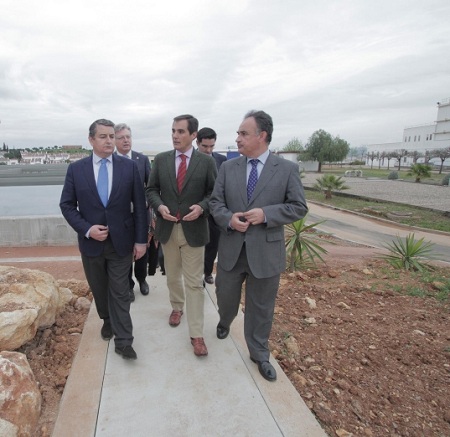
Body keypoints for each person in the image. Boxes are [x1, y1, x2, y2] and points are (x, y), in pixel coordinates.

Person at [209, 110, 308, 381]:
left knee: (261, 307)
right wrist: (229, 219)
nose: (238, 138)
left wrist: (266, 215)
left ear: (261, 136)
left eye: (243, 133)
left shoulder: (286, 169)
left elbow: (299, 207)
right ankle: (225, 320)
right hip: (231, 249)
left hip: (265, 252)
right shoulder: (228, 168)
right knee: (225, 296)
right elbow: (215, 203)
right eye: (238, 133)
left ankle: (259, 352)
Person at [60, 119, 148, 360]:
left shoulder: (129, 168)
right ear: (91, 140)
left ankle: (124, 340)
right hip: (91, 243)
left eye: (112, 136)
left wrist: (141, 241)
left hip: (122, 242)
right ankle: (106, 320)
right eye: (103, 136)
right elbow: (67, 205)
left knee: (120, 291)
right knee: (99, 289)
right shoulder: (76, 170)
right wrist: (87, 229)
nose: (109, 140)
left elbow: (140, 207)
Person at [146, 114, 217, 357]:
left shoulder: (206, 163)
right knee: (172, 277)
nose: (175, 135)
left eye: (181, 131)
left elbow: (214, 194)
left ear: (193, 135)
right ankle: (177, 307)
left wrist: (201, 207)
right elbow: (151, 189)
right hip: (167, 229)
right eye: (173, 131)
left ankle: (197, 334)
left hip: (194, 230)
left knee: (195, 284)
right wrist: (159, 207)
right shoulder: (162, 160)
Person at [114, 123, 151, 301]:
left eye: (128, 136)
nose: (126, 140)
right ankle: (128, 285)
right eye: (121, 137)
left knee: (142, 248)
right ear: (114, 140)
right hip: (121, 217)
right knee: (124, 251)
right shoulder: (110, 161)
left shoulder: (142, 160)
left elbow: (151, 186)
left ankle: (142, 279)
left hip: (141, 214)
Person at [196, 127, 226, 285]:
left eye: (211, 146)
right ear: (197, 142)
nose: (208, 150)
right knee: (195, 247)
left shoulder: (222, 161)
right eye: (204, 146)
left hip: (215, 212)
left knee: (213, 244)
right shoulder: (190, 160)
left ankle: (207, 272)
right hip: (195, 211)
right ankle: (195, 275)